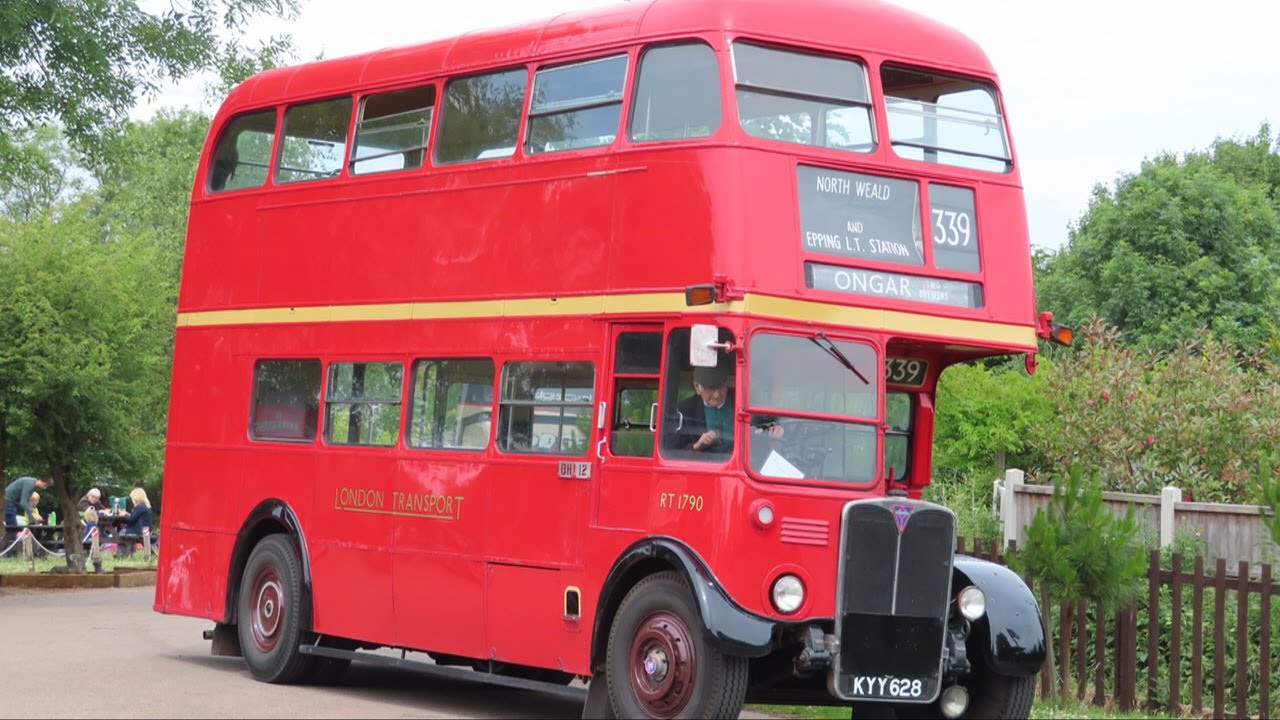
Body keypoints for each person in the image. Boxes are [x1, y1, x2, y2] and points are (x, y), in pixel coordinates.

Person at [672, 364, 782, 454]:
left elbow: (770, 421)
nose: (717, 395)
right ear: (697, 386)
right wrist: (696, 446)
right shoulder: (684, 410)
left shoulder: (744, 401)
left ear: (727, 383)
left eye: (721, 387)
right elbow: (673, 453)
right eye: (710, 389)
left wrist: (776, 428)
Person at [4, 476, 50, 540]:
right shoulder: (30, 484)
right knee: (13, 529)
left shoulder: (31, 484)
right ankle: (10, 549)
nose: (44, 488)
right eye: (44, 485)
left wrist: (33, 521)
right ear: (39, 480)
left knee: (12, 530)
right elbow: (23, 503)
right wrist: (34, 514)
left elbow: (27, 505)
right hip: (7, 503)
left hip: (10, 503)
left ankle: (7, 547)